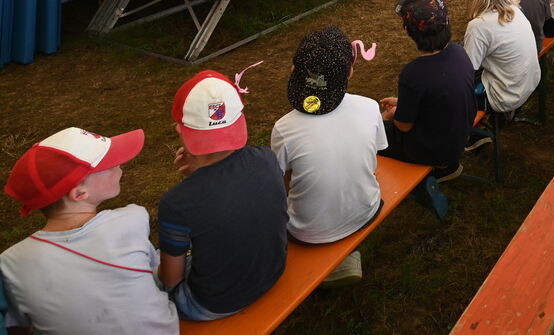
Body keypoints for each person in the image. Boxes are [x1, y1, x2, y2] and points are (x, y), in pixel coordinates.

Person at [1, 126, 178, 334]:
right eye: (109, 164)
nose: (119, 165)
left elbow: (19, 327)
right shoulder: (132, 218)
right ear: (79, 193)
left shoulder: (10, 264)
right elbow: (161, 277)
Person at [159, 70, 288, 321]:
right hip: (272, 273)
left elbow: (171, 280)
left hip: (211, 304)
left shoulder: (176, 203)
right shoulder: (266, 158)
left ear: (180, 129)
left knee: (150, 264)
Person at [271, 27, 388, 284]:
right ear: (350, 71)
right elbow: (374, 158)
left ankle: (332, 262)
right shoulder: (370, 107)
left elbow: (280, 187)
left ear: (293, 69)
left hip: (308, 232)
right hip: (368, 209)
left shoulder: (283, 128)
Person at [379, 0, 477, 177]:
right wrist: (403, 104)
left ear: (408, 31)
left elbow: (404, 126)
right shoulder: (459, 51)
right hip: (459, 135)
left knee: (373, 131)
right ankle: (447, 166)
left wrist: (393, 114)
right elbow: (439, 99)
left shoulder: (414, 73)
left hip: (434, 149)